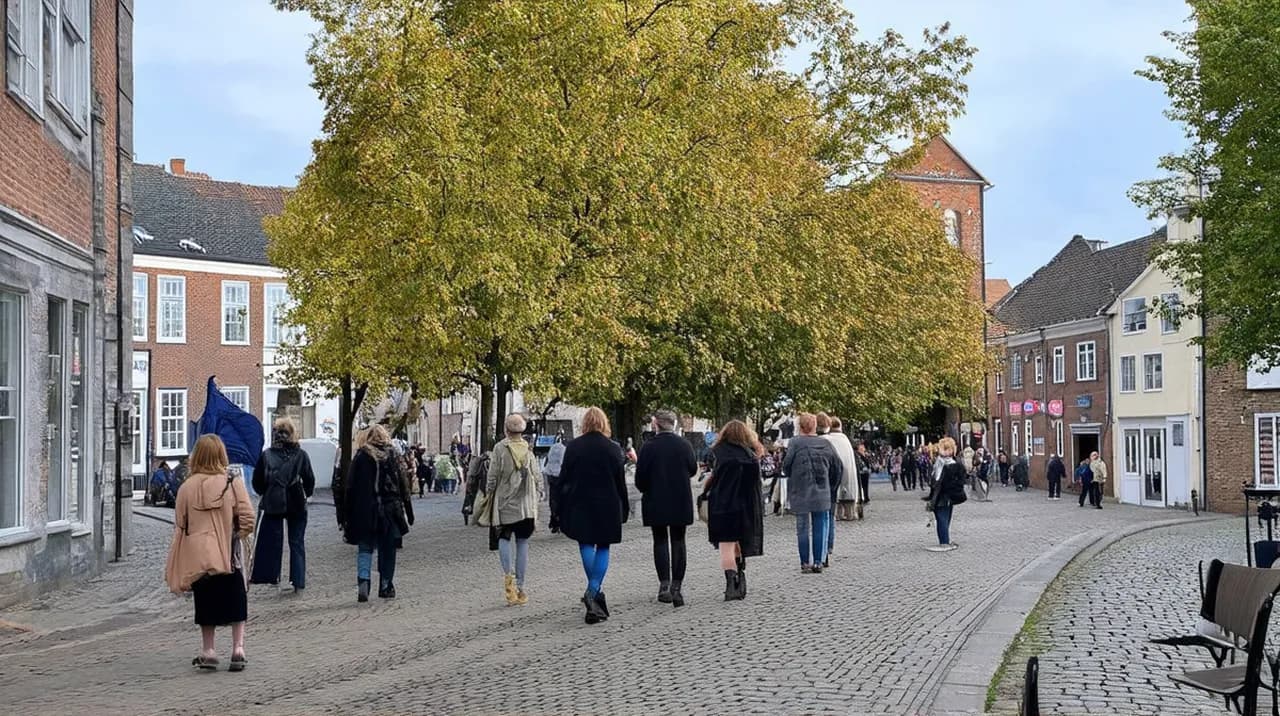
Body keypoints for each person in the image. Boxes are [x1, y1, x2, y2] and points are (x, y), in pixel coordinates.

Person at [164, 434, 255, 671]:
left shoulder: (186, 487)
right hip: (228, 554)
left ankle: (209, 651)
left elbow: (180, 524)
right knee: (236, 599)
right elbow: (248, 518)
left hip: (199, 555)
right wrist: (236, 535)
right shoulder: (232, 482)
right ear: (221, 455)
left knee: (205, 600)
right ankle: (238, 649)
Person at [558, 407, 628, 624]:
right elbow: (620, 481)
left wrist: (559, 506)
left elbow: (564, 478)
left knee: (586, 544)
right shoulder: (613, 448)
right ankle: (593, 591)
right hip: (607, 503)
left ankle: (594, 593)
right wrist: (624, 507)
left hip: (581, 502)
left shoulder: (574, 447)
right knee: (603, 546)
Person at [634, 410, 697, 607]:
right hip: (680, 498)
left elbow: (640, 478)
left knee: (660, 540)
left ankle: (664, 584)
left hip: (656, 498)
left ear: (656, 424)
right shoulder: (684, 445)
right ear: (673, 424)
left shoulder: (648, 447)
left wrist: (647, 488)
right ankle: (677, 586)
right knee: (679, 540)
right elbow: (693, 469)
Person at [344, 425, 413, 602]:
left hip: (365, 510)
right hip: (390, 510)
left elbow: (350, 487)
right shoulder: (392, 455)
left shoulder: (361, 456)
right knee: (388, 549)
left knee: (365, 548)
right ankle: (385, 584)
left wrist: (346, 514)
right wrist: (408, 510)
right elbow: (403, 483)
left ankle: (363, 582)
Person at [482, 413, 543, 606]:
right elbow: (537, 475)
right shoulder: (528, 448)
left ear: (506, 430)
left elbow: (492, 475)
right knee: (523, 543)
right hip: (525, 505)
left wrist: (489, 492)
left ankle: (509, 584)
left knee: (504, 538)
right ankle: (521, 587)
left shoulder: (500, 448)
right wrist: (539, 492)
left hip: (505, 502)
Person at [249, 418, 316, 593]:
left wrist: (266, 492)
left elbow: (257, 482)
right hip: (296, 502)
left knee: (272, 542)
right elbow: (309, 479)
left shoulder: (266, 455)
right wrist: (306, 494)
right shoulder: (301, 455)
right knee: (297, 542)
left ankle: (271, 576)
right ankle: (298, 581)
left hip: (273, 502)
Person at [704, 419, 764, 601]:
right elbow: (756, 485)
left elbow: (712, 478)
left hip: (722, 505)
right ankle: (740, 577)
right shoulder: (751, 456)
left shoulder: (717, 453)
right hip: (745, 507)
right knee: (739, 543)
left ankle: (731, 584)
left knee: (726, 546)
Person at [782, 413, 841, 574]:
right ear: (815, 426)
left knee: (802, 526)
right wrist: (831, 486)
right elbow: (837, 467)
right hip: (822, 489)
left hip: (801, 490)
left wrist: (792, 475)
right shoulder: (826, 443)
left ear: (799, 426)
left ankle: (804, 562)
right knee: (820, 525)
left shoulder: (795, 443)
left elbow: (786, 465)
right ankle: (818, 561)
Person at [819, 415, 854, 559]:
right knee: (829, 516)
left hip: (820, 486)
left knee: (819, 519)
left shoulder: (823, 440)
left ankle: (820, 551)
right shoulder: (844, 440)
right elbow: (842, 465)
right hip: (833, 485)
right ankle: (828, 547)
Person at [925, 437, 966, 552]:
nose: (943, 451)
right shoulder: (939, 462)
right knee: (942, 518)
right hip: (940, 495)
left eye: (947, 449)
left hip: (945, 496)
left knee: (943, 518)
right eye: (943, 449)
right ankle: (944, 540)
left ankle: (944, 542)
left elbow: (941, 480)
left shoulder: (950, 464)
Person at [830, 419, 859, 522]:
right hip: (847, 472)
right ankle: (849, 513)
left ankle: (837, 513)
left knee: (836, 491)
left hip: (834, 472)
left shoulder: (828, 439)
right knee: (847, 490)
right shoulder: (845, 439)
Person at [543, 435, 567, 533]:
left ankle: (554, 519)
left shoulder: (552, 448)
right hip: (560, 475)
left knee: (553, 498)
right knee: (562, 498)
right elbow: (564, 462)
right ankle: (561, 520)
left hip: (551, 475)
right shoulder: (564, 449)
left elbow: (546, 462)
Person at [462, 449, 491, 525]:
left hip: (475, 481)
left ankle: (470, 515)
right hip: (476, 481)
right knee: (471, 499)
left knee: (470, 499)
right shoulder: (478, 460)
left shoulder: (475, 460)